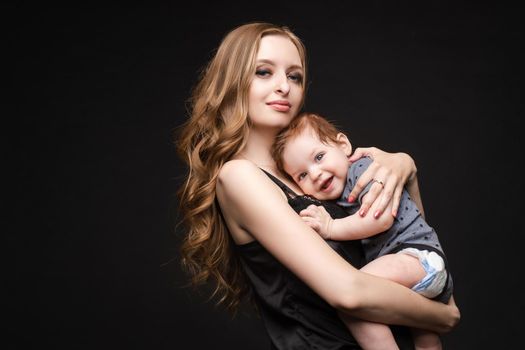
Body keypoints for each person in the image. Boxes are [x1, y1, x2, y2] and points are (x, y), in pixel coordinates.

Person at [175, 22, 460, 349]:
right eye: (264, 72)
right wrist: (442, 317)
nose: (284, 86)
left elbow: (404, 234)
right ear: (233, 81)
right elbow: (348, 292)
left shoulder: (312, 170)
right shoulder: (240, 176)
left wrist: (406, 170)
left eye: (294, 76)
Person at [272, 112, 454, 349]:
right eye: (302, 175)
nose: (315, 174)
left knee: (355, 297)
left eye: (319, 156)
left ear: (343, 145)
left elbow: (379, 220)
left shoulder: (364, 170)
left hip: (416, 258)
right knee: (425, 341)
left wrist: (330, 227)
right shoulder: (337, 196)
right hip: (415, 271)